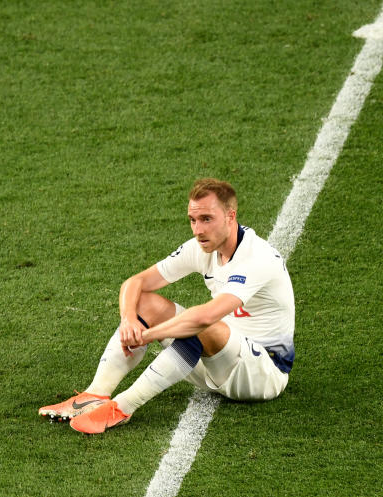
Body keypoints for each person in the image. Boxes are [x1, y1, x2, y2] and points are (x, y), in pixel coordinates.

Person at [39, 178, 295, 434]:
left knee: (204, 322)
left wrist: (149, 335)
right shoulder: (202, 247)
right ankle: (94, 395)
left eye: (207, 219)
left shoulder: (257, 257)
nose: (198, 229)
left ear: (231, 216)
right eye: (193, 220)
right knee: (145, 302)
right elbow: (136, 282)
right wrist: (129, 319)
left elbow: (205, 317)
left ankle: (123, 407)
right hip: (217, 360)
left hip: (262, 374)